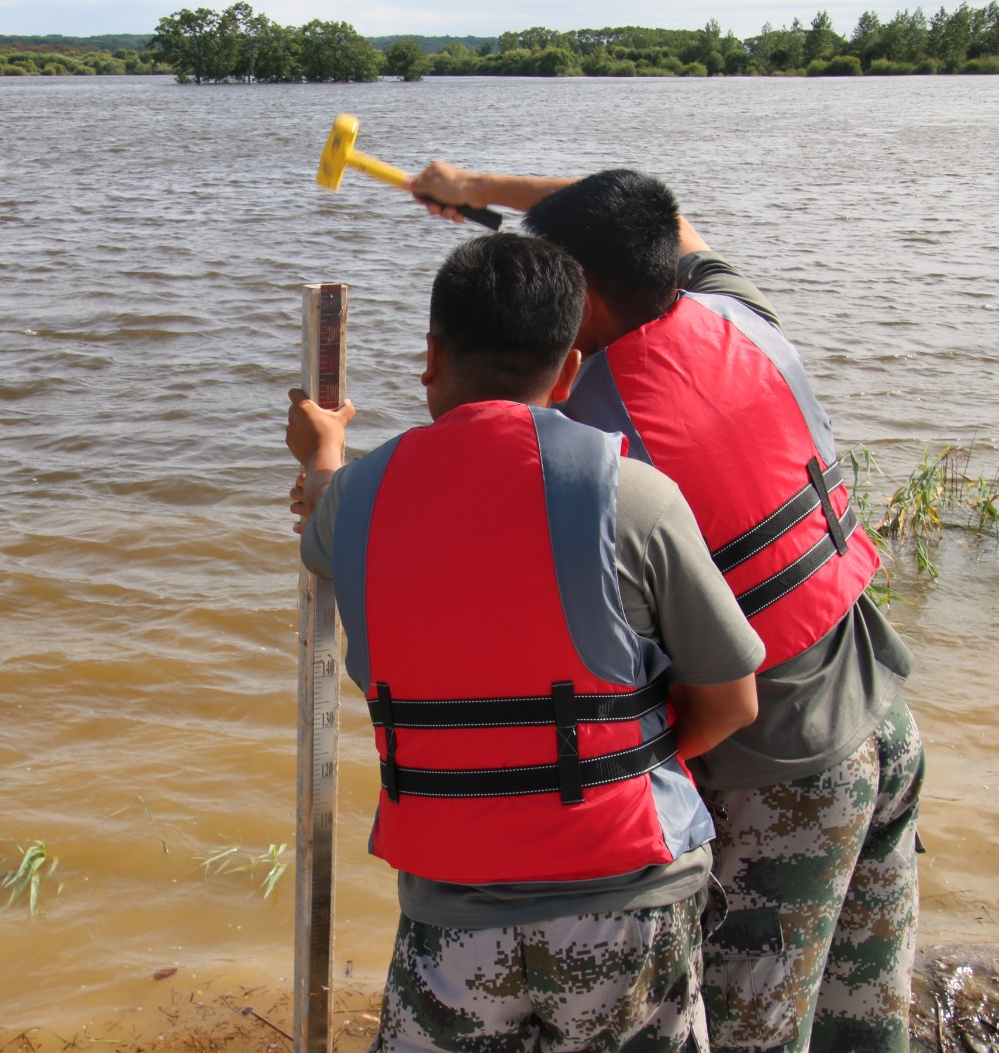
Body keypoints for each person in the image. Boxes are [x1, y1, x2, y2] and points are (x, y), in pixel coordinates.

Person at [407, 163, 924, 1053]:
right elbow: (661, 216)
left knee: (746, 1031)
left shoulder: (596, 440)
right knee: (862, 1020)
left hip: (779, 774)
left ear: (586, 297)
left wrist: (333, 484)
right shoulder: (734, 314)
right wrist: (472, 182)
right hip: (881, 713)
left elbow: (456, 510)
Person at [285, 232, 763, 1052]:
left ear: (430, 356)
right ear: (571, 370)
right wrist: (604, 764)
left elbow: (323, 513)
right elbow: (731, 701)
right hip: (627, 899)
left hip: (450, 909)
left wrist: (325, 446)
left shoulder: (356, 503)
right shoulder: (637, 499)